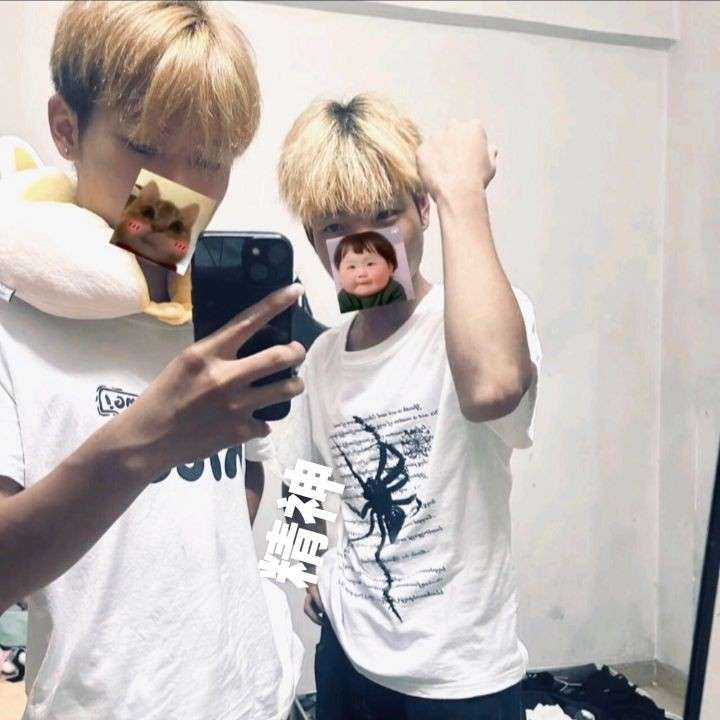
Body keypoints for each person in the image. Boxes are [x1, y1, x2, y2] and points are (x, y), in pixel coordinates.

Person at [0, 2, 306, 719]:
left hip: (256, 696)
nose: (176, 191)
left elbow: (257, 466)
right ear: (65, 129)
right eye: (144, 147)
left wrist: (218, 575)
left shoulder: (216, 310)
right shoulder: (13, 328)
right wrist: (147, 444)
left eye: (209, 159)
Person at [277, 93, 542, 719]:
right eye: (335, 227)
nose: (363, 247)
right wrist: (306, 573)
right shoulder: (323, 357)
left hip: (459, 676)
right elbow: (306, 476)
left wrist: (462, 193)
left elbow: (493, 388)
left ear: (422, 209)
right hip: (347, 658)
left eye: (383, 216)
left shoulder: (477, 320)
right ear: (315, 240)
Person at [333, 231, 407, 312]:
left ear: (390, 268)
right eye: (352, 267)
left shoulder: (394, 290)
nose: (361, 273)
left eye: (370, 264)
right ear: (340, 274)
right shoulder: (344, 298)